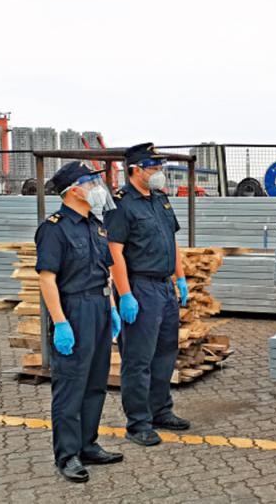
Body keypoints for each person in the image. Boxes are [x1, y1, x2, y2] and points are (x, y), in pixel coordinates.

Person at [34, 161, 123, 483]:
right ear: (73, 190)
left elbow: (105, 273)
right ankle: (67, 454)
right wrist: (60, 322)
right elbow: (47, 279)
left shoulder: (95, 225)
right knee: (71, 386)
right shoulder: (54, 228)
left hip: (99, 306)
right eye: (91, 183)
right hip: (74, 309)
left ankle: (88, 444)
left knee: (95, 382)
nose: (97, 188)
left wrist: (111, 308)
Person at [105, 143, 190, 447]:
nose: (158, 172)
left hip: (164, 287)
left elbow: (172, 241)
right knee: (138, 359)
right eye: (152, 167)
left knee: (165, 352)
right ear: (135, 170)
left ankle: (160, 411)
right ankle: (138, 423)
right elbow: (114, 252)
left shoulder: (160, 199)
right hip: (140, 287)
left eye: (159, 167)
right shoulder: (120, 204)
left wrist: (180, 278)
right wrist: (125, 294)